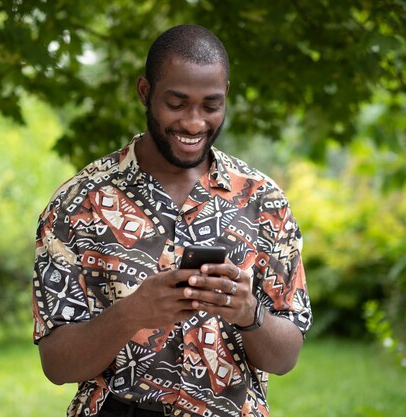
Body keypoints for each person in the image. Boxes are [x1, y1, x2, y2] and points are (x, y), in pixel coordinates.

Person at [32, 24, 312, 417]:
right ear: (145, 92)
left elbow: (285, 358)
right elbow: (57, 365)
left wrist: (249, 312)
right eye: (177, 104)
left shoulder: (264, 201)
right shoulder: (79, 203)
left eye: (210, 105)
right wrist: (131, 313)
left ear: (226, 95)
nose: (194, 123)